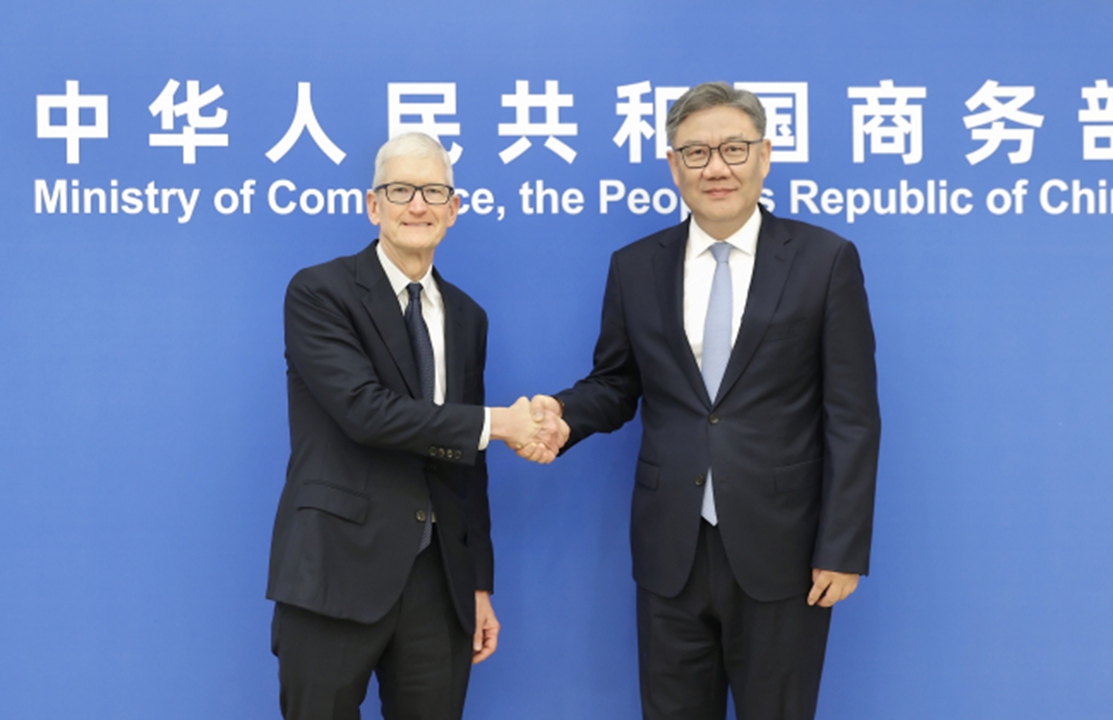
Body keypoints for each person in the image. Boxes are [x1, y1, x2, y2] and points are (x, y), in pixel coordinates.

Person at [526, 82, 881, 720]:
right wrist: (564, 416)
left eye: (733, 149)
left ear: (764, 156)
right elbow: (615, 383)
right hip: (671, 551)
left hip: (786, 553)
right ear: (673, 166)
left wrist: (842, 548)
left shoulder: (825, 261)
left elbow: (852, 417)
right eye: (695, 153)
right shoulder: (635, 266)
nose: (716, 166)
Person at [266, 132, 560, 720]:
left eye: (433, 191)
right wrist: (500, 423)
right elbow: (365, 412)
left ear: (454, 209)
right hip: (335, 571)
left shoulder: (467, 316)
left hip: (438, 582)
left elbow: (465, 463)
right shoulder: (320, 292)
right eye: (400, 190)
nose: (417, 205)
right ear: (373, 205)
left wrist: (477, 584)